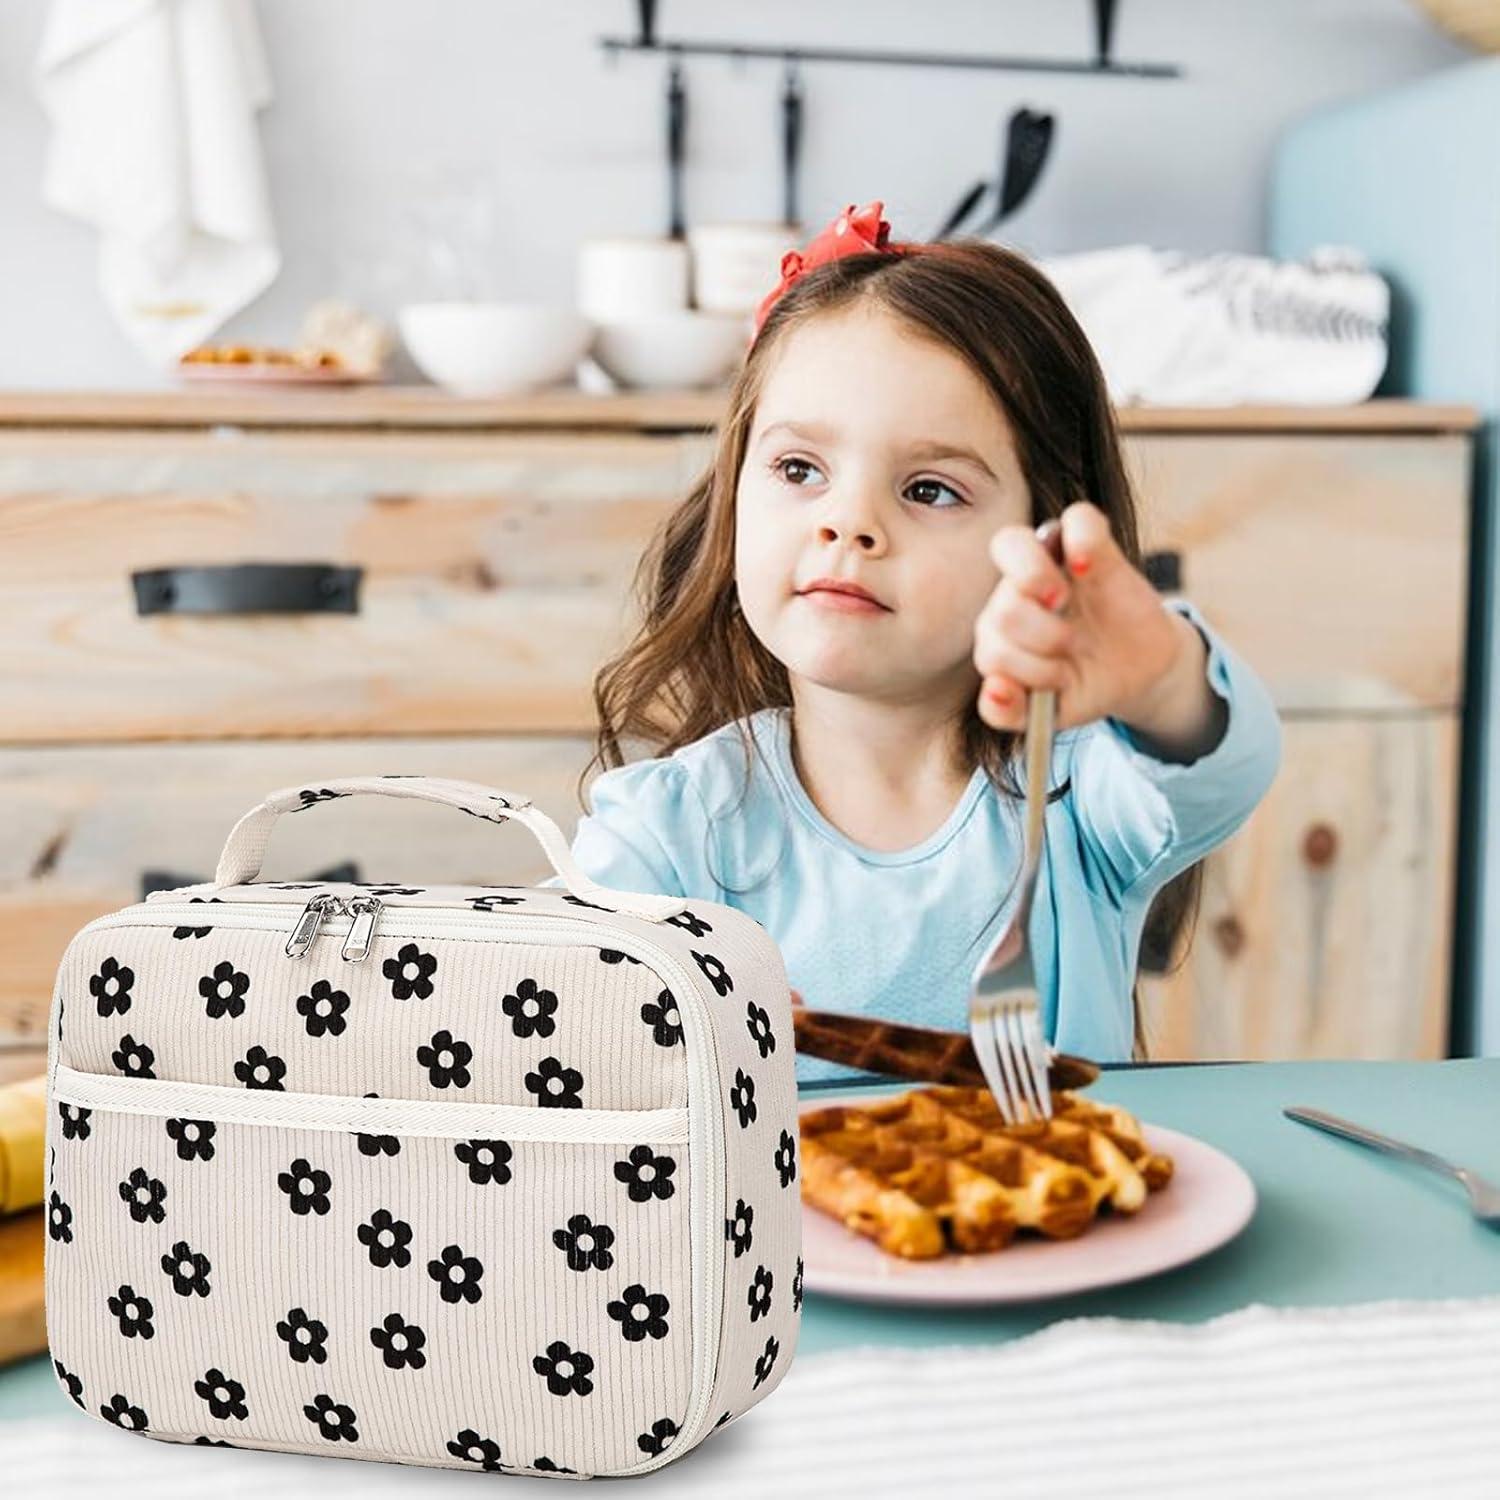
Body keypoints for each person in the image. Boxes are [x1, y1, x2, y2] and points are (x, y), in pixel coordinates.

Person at [552, 201, 1282, 1082]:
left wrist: (1159, 676)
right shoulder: (666, 836)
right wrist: (649, 1036)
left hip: (1061, 1217)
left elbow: (1221, 765)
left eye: (930, 490)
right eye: (798, 470)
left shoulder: (1084, 795)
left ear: (1043, 533)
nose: (848, 524)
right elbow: (568, 1050)